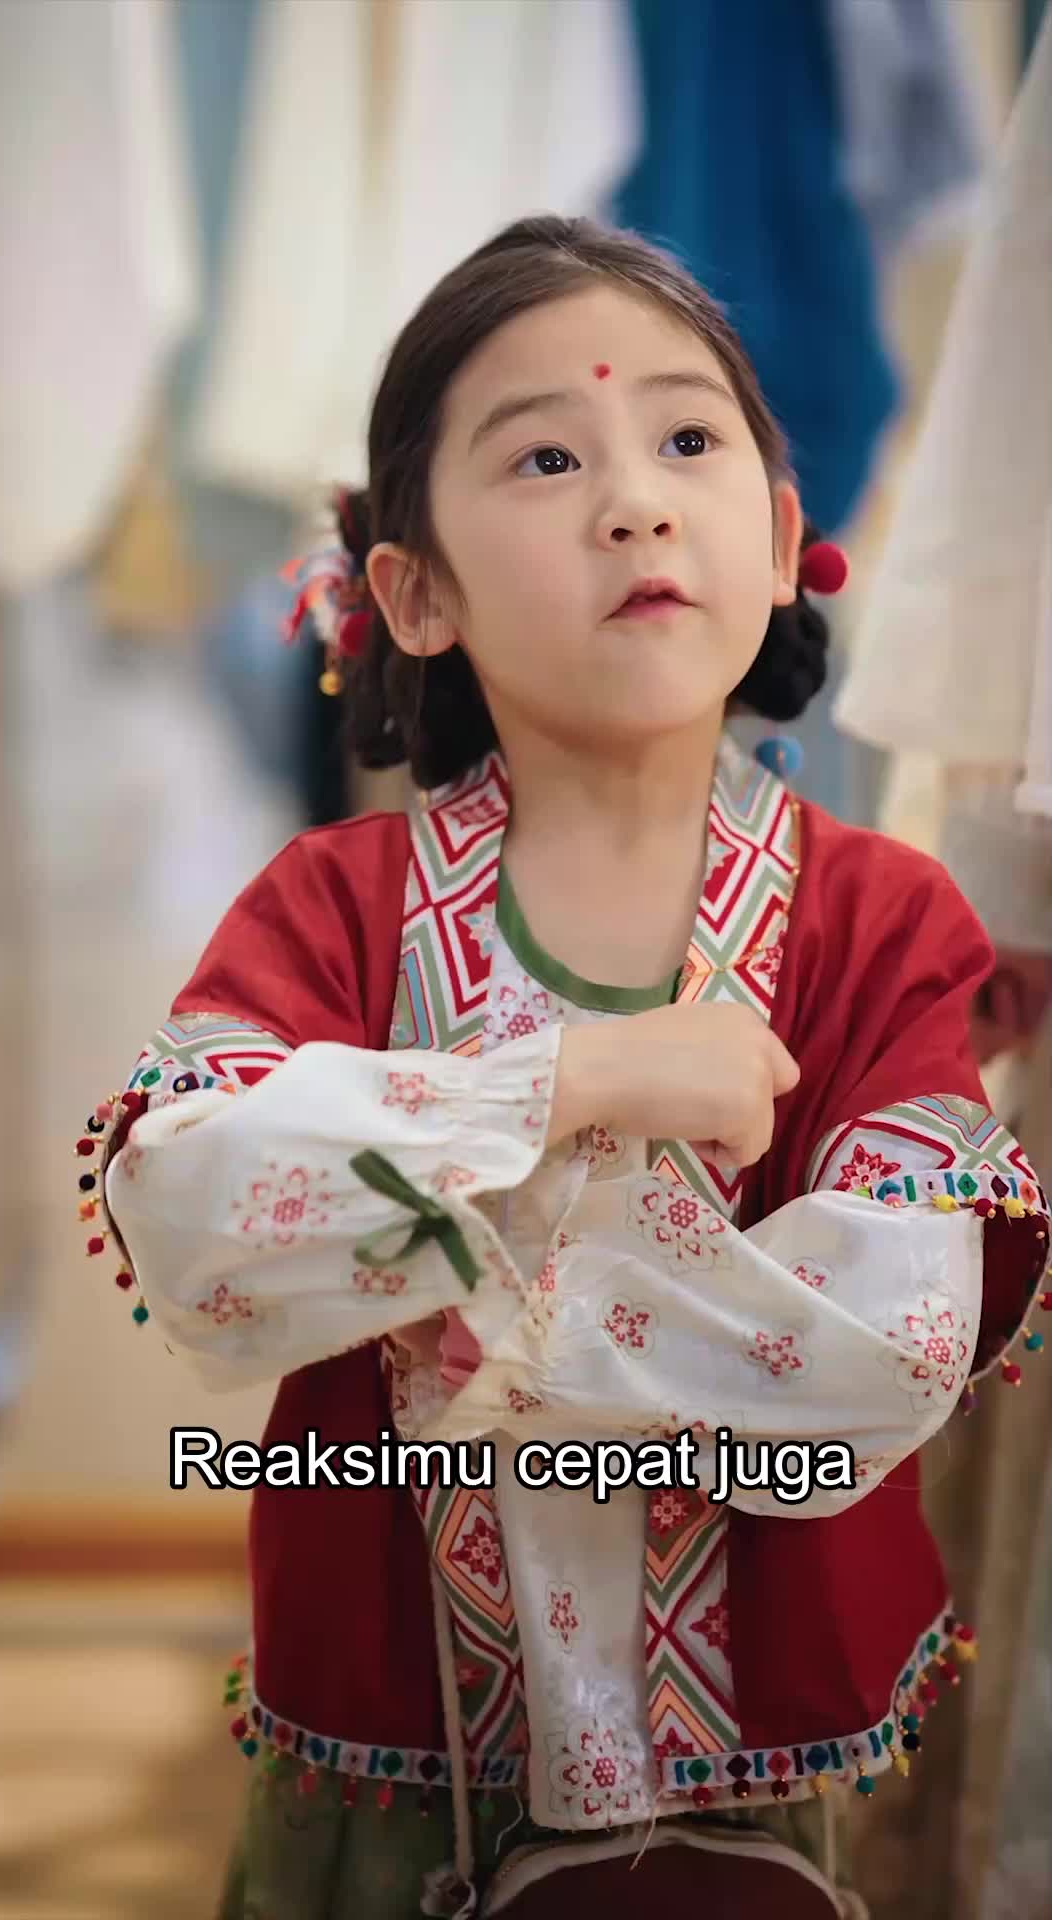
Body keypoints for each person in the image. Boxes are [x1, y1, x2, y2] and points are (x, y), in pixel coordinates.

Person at [78, 218, 1049, 1919]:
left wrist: (484, 1327)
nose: (634, 503)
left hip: (750, 1805)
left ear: (784, 543)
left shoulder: (880, 921)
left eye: (687, 440)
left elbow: (892, 1337)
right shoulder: (334, 908)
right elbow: (190, 1220)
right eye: (546, 457)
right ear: (417, 593)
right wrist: (576, 1083)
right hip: (390, 1804)